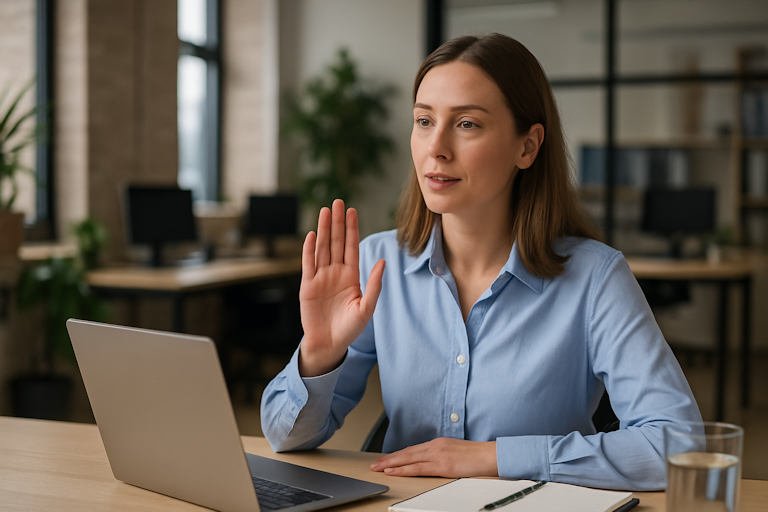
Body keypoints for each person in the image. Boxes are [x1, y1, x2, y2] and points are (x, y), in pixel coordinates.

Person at [260, 33, 701, 491]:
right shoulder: (376, 263)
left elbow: (679, 446)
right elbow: (283, 437)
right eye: (424, 120)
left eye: (467, 124)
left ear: (526, 148)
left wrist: (495, 458)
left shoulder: (595, 277)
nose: (437, 148)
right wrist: (318, 354)